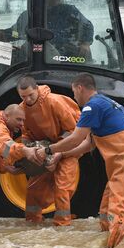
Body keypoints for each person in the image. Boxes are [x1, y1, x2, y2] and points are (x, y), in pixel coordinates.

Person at [35, 73, 124, 248]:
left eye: (74, 92)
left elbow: (75, 139)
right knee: (105, 212)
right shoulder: (106, 104)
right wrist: (61, 155)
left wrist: (48, 150)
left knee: (117, 214)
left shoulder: (92, 107)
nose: (74, 96)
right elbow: (88, 145)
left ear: (80, 88)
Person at [16, 75, 80, 226]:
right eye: (23, 97)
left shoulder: (54, 102)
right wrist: (28, 151)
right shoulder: (22, 109)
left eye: (30, 95)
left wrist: (57, 154)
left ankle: (62, 226)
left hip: (67, 148)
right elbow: (26, 134)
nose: (28, 100)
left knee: (62, 188)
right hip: (44, 150)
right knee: (33, 189)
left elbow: (73, 132)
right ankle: (32, 223)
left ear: (37, 89)